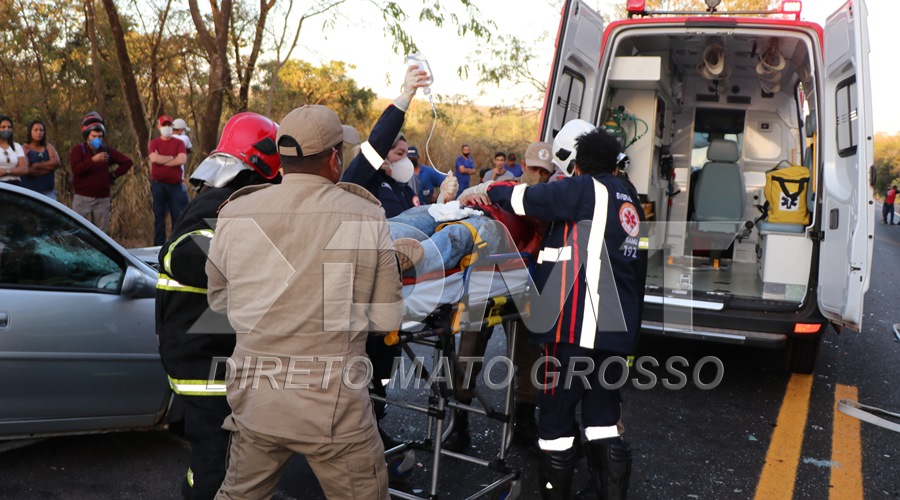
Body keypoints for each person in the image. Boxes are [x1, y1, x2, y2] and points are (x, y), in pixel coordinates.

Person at [207, 104, 402, 499]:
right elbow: (386, 317)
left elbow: (219, 301)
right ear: (334, 160)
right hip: (334, 410)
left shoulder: (234, 212)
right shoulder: (364, 215)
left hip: (255, 400)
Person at [465, 124, 646, 499]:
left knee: (556, 422)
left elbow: (523, 199)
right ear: (615, 166)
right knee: (603, 421)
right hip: (615, 331)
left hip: (576, 329)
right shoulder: (628, 199)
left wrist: (490, 187)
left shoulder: (582, 189)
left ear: (578, 166)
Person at [156, 112, 282, 500]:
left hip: (207, 353)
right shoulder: (221, 203)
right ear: (264, 166)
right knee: (216, 465)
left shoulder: (229, 201)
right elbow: (177, 254)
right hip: (202, 360)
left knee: (226, 460)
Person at [69, 112, 134, 232]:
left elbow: (127, 162)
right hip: (83, 198)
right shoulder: (79, 150)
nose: (97, 139)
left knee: (101, 231)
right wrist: (93, 160)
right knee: (76, 229)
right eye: (94, 136)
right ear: (87, 136)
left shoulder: (106, 150)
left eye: (99, 136)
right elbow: (76, 169)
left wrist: (113, 175)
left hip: (102, 198)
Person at [149, 114, 189, 245]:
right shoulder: (154, 143)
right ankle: (158, 245)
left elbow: (182, 159)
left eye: (168, 125)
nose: (166, 127)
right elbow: (154, 158)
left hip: (175, 186)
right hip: (158, 185)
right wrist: (172, 157)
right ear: (158, 127)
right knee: (159, 217)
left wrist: (162, 159)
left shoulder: (179, 143)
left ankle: (175, 245)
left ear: (172, 126)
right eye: (163, 125)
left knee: (177, 217)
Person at [20, 119, 60, 199]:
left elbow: (57, 162)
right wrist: (49, 168)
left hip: (48, 191)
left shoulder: (48, 146)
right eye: (36, 130)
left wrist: (37, 165)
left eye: (41, 130)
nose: (39, 132)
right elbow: (28, 170)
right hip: (31, 191)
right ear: (29, 131)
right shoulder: (24, 148)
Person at [0, 115, 28, 185]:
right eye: (3, 127)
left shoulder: (17, 146)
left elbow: (24, 168)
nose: (7, 129)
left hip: (15, 185)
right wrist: (15, 170)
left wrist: (6, 171)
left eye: (9, 127)